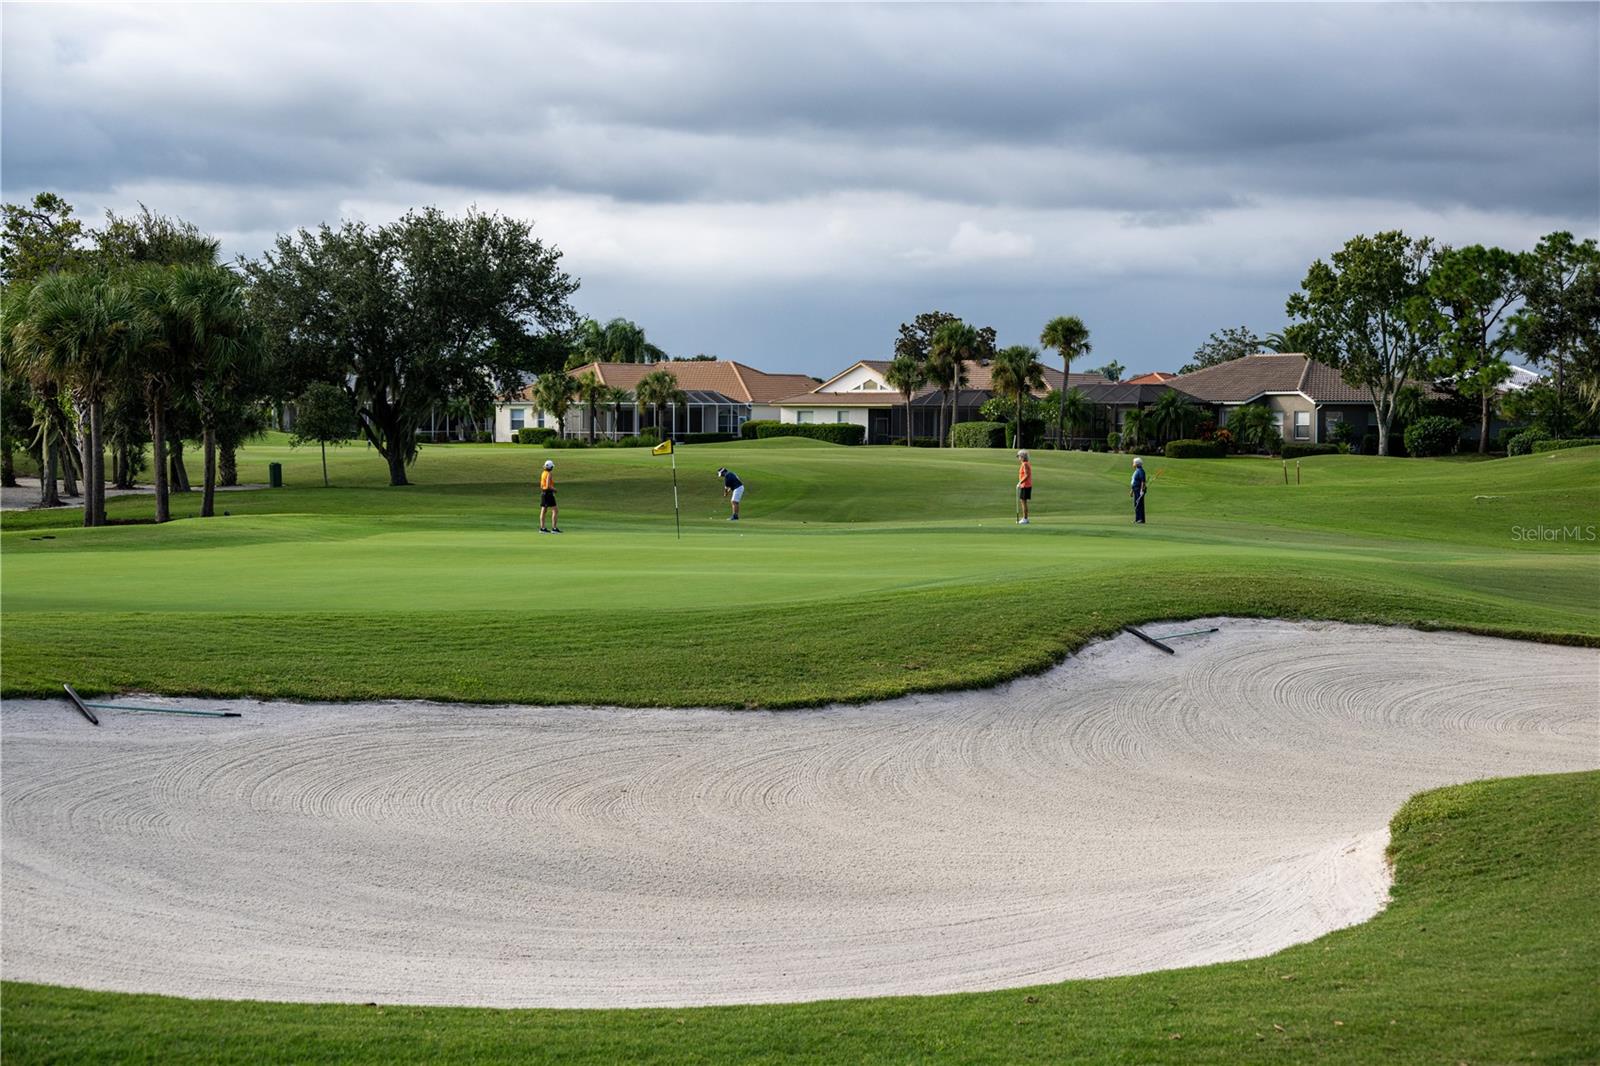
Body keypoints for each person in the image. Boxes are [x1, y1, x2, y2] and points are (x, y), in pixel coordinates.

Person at [539, 459, 561, 533]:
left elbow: (542, 485)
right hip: (548, 493)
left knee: (543, 510)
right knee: (555, 510)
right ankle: (554, 528)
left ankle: (542, 528)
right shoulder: (549, 474)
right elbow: (548, 485)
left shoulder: (543, 473)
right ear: (551, 467)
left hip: (543, 493)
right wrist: (554, 490)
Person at [1015, 449, 1033, 524]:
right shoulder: (1026, 463)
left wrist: (1020, 482)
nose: (1018, 458)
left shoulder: (1025, 464)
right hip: (1026, 485)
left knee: (1023, 502)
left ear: (1022, 457)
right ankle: (1025, 518)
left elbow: (1026, 475)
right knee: (1023, 501)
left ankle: (1025, 518)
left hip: (1025, 485)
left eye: (1019, 456)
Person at [1130, 456, 1146, 524]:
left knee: (1139, 504)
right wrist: (1132, 490)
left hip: (1139, 490)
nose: (1133, 464)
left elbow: (1143, 481)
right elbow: (1134, 481)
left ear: (1137, 464)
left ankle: (1140, 519)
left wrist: (1142, 490)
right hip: (1135, 489)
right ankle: (1137, 519)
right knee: (1136, 504)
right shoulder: (1136, 471)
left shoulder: (1141, 471)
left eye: (1133, 463)